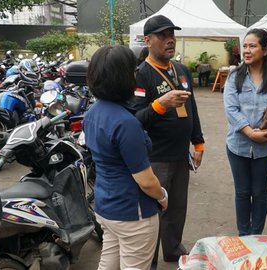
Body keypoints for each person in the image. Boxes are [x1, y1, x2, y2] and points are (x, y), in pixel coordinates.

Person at [83, 45, 168, 270]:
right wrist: (163, 196)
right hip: (132, 212)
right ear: (124, 77)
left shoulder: (92, 112)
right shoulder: (125, 123)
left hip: (106, 207)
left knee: (108, 264)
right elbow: (146, 181)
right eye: (132, 70)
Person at [130, 15, 205, 266]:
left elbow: (191, 107)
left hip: (180, 155)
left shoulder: (180, 70)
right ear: (148, 40)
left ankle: (172, 249)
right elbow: (136, 119)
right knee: (153, 212)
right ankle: (147, 260)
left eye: (171, 34)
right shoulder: (141, 75)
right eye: (163, 35)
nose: (169, 39)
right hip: (155, 157)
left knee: (176, 209)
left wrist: (198, 142)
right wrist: (160, 105)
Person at [224, 28, 267, 236]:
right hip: (238, 146)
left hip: (266, 148)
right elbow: (231, 109)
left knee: (260, 193)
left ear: (265, 49)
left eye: (252, 46)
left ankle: (256, 236)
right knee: (242, 192)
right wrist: (250, 133)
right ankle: (244, 236)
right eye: (245, 46)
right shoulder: (235, 77)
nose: (247, 50)